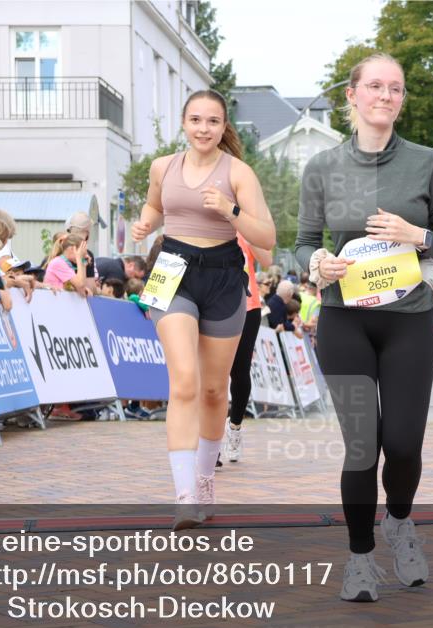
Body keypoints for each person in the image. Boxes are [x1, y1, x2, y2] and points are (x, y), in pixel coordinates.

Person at [296, 52, 433, 602]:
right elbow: (303, 243)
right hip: (345, 320)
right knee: (363, 446)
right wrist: (316, 264)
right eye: (374, 86)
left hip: (408, 319)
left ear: (401, 99)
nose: (385, 95)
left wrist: (414, 235)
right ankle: (360, 557)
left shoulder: (426, 162)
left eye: (395, 88)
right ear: (352, 96)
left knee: (405, 444)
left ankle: (400, 520)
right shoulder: (321, 167)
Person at [130, 89, 275, 529]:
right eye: (195, 120)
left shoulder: (239, 173)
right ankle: (185, 496)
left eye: (212, 121)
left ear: (223, 125)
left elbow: (266, 238)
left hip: (225, 273)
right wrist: (146, 222)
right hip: (171, 267)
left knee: (215, 389)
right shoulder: (163, 167)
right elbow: (156, 204)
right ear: (183, 122)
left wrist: (230, 210)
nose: (203, 129)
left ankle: (205, 478)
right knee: (185, 382)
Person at [223, 233, 274, 463]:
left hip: (247, 307)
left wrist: (245, 225)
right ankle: (210, 440)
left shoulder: (245, 227)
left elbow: (267, 260)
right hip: (212, 306)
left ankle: (235, 427)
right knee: (213, 375)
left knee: (239, 371)